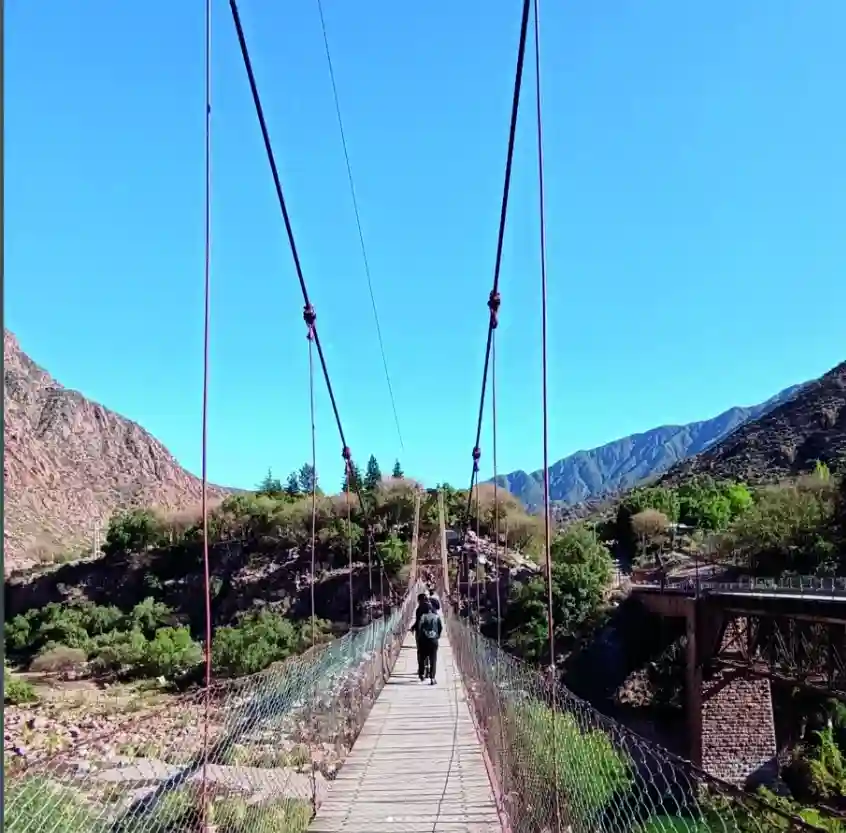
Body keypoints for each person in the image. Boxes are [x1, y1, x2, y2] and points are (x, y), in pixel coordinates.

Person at [412, 597, 443, 685]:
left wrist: (420, 637)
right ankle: (432, 678)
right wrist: (437, 636)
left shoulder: (423, 617)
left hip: (423, 640)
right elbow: (440, 628)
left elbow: (420, 628)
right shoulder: (436, 617)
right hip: (433, 640)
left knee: (422, 657)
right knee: (433, 659)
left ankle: (421, 673)